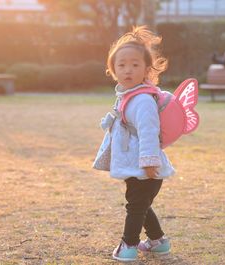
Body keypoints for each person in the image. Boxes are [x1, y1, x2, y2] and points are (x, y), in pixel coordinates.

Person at [97, 26, 175, 262]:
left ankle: (128, 245)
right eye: (121, 65)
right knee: (140, 203)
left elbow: (150, 132)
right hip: (135, 164)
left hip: (146, 166)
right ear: (112, 70)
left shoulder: (143, 99)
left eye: (134, 65)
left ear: (147, 69)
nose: (128, 70)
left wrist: (150, 163)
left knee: (136, 206)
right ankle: (158, 241)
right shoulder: (127, 95)